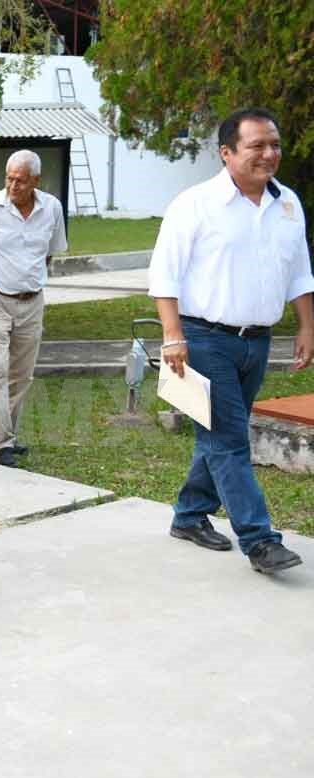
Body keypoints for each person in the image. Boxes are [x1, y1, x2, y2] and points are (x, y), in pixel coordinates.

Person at [150, 107, 313, 575]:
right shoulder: (195, 204)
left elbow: (299, 270)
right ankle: (260, 541)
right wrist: (172, 336)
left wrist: (307, 325)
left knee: (215, 435)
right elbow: (165, 274)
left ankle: (188, 515)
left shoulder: (287, 204)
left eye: (274, 145)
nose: (269, 154)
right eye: (256, 146)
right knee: (228, 440)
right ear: (226, 153)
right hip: (203, 339)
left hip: (256, 343)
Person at [0, 149, 67, 468]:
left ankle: (10, 434)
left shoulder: (52, 209)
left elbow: (49, 252)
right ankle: (1, 443)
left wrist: (29, 278)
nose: (13, 185)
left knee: (22, 374)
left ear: (36, 180)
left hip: (32, 300)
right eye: (9, 178)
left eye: (20, 180)